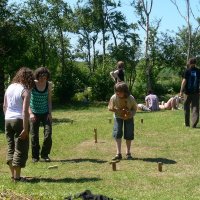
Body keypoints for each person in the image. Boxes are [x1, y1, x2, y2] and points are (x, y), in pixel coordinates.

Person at [3, 67, 34, 182]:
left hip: (8, 120)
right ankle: (17, 178)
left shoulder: (9, 87)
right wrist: (25, 128)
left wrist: (8, 117)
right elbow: (25, 111)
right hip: (19, 120)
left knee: (11, 147)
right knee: (20, 148)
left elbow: (4, 106)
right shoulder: (25, 90)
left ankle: (13, 176)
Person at [108, 82, 137, 160]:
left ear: (125, 91)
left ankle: (128, 153)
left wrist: (129, 114)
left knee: (129, 133)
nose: (118, 93)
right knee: (117, 132)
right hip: (118, 117)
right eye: (116, 91)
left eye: (120, 91)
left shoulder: (131, 98)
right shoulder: (114, 97)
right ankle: (118, 153)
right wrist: (118, 110)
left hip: (129, 117)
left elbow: (135, 109)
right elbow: (110, 108)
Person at [29, 67, 53, 162]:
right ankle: (35, 157)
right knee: (34, 135)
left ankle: (45, 155)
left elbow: (49, 100)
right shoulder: (32, 84)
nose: (43, 79)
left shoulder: (49, 85)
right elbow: (26, 100)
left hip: (45, 113)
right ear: (37, 76)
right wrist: (30, 113)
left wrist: (50, 113)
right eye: (41, 77)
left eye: (45, 77)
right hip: (34, 113)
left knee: (48, 134)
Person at [180, 57, 200, 128]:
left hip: (187, 93)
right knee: (195, 108)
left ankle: (187, 124)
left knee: (186, 107)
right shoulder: (198, 71)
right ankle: (194, 124)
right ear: (195, 63)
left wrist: (181, 91)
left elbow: (184, 82)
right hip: (196, 93)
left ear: (189, 62)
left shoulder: (187, 71)